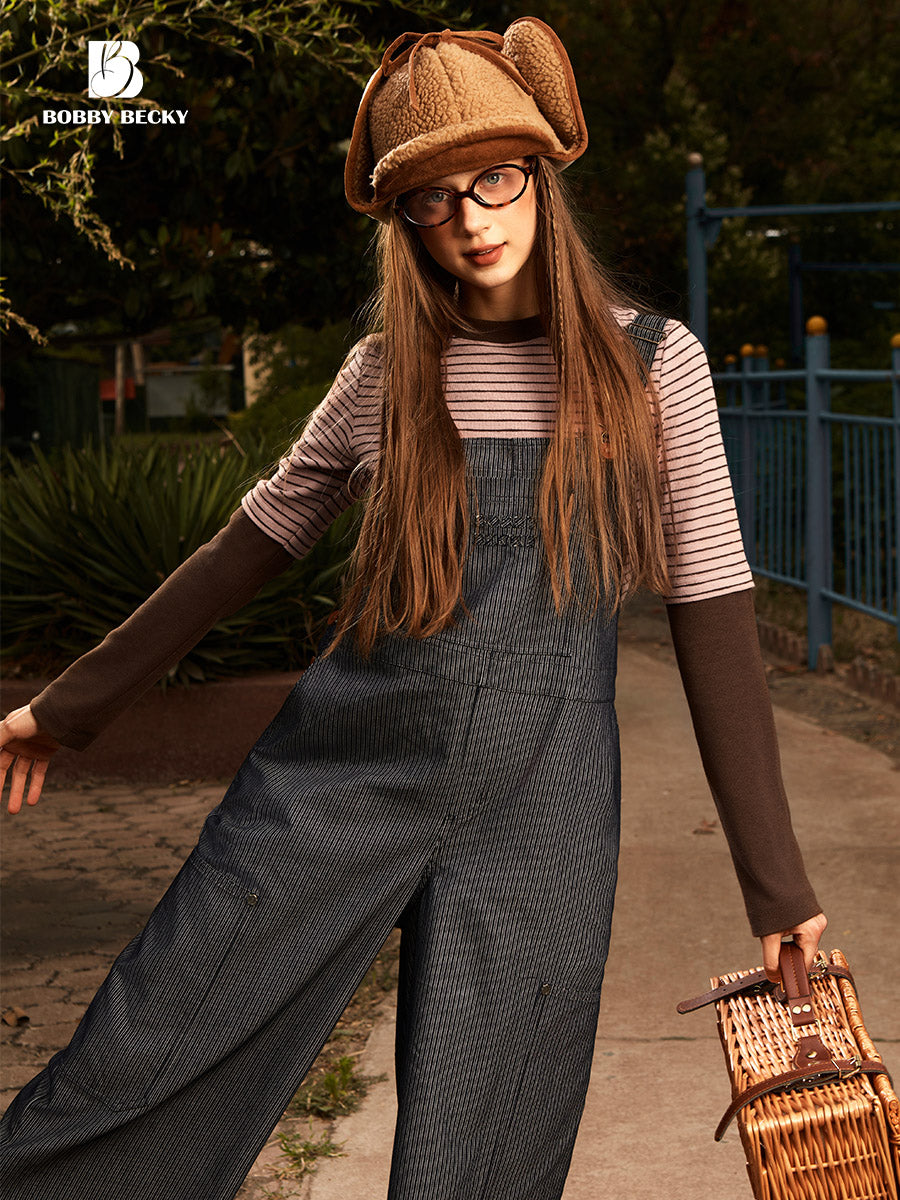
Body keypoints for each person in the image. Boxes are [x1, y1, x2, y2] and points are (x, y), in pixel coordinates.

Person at [0, 18, 826, 1200]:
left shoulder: (655, 366)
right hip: (336, 780)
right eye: (434, 200)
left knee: (483, 1162)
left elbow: (712, 613)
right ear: (403, 225)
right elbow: (246, 550)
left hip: (541, 818)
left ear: (541, 174)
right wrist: (66, 711)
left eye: (496, 178)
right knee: (138, 1060)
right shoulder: (385, 373)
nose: (474, 217)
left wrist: (778, 886)